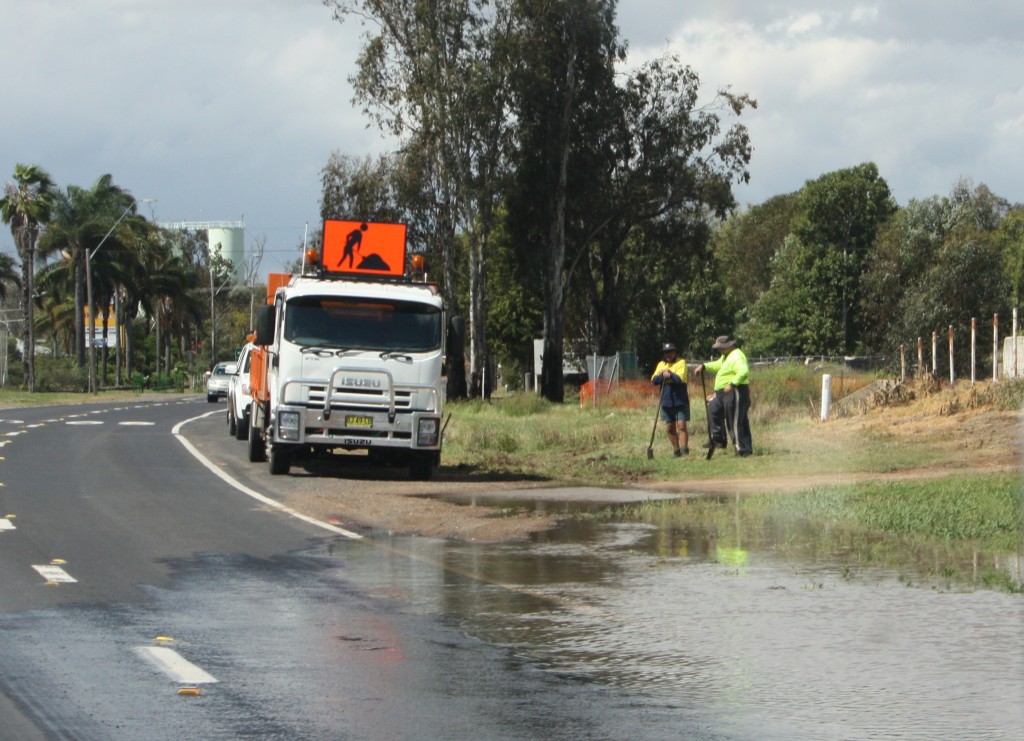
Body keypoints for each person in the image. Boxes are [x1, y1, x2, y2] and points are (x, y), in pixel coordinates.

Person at [695, 335, 752, 457]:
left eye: (720, 347)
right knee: (713, 408)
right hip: (722, 393)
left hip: (735, 391)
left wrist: (732, 384)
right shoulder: (725, 356)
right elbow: (717, 365)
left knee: (734, 420)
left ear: (728, 346)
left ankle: (741, 449)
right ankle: (719, 439)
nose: (719, 350)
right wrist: (704, 366)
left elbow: (743, 371)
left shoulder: (737, 355)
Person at [651, 342, 690, 457]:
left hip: (680, 399)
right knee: (670, 427)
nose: (668, 354)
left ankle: (684, 450)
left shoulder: (681, 362)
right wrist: (662, 374)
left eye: (671, 352)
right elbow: (654, 380)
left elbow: (679, 379)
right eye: (666, 352)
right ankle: (676, 451)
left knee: (681, 425)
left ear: (675, 352)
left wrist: (669, 373)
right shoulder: (660, 364)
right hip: (666, 400)